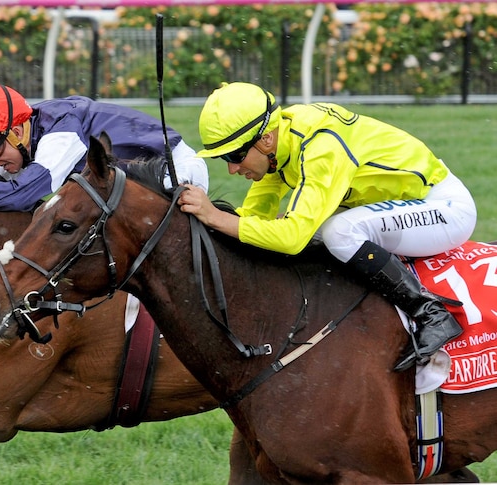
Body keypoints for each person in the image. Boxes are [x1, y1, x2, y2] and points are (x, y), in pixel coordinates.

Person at [177, 81, 476, 372]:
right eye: (223, 159)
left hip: (444, 208)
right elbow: (254, 220)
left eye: (235, 155)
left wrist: (215, 216)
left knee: (338, 232)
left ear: (266, 138)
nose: (231, 169)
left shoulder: (321, 147)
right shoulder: (278, 148)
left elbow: (291, 237)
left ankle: (431, 314)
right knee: (304, 233)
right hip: (398, 204)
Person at [0, 83, 209, 211]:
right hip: (130, 182)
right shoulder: (25, 138)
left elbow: (21, 196)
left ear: (15, 131)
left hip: (175, 173)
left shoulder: (61, 133)